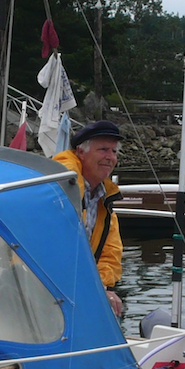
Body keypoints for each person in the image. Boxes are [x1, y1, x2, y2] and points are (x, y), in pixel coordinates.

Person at [53, 120, 125, 318]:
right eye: (103, 149)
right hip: (40, 282)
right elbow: (66, 169)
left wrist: (101, 288)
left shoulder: (104, 201)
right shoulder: (60, 183)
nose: (110, 157)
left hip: (76, 289)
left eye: (114, 151)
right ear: (80, 152)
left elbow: (111, 254)